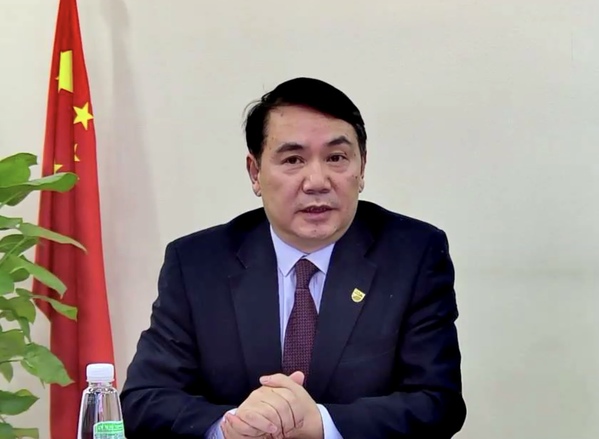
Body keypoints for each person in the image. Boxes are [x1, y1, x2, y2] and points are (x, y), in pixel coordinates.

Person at [120, 77, 467, 439]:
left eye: (336, 158)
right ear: (255, 173)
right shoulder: (197, 264)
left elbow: (438, 403)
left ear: (362, 167)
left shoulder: (413, 254)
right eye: (293, 159)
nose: (316, 181)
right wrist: (230, 427)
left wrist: (321, 424)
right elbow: (143, 400)